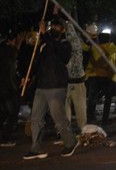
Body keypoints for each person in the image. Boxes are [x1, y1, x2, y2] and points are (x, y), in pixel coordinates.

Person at [23, 19, 79, 159]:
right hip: (41, 85)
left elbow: (62, 56)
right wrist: (27, 76)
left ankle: (70, 142)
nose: (54, 28)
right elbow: (37, 62)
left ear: (63, 30)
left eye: (57, 26)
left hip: (56, 85)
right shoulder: (44, 43)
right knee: (36, 118)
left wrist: (46, 35)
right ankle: (36, 147)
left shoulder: (64, 44)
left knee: (58, 117)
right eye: (52, 25)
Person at [0, 27, 24, 147]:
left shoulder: (4, 50)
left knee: (4, 112)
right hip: (6, 87)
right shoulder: (9, 52)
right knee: (12, 112)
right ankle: (4, 139)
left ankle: (4, 136)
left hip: (5, 87)